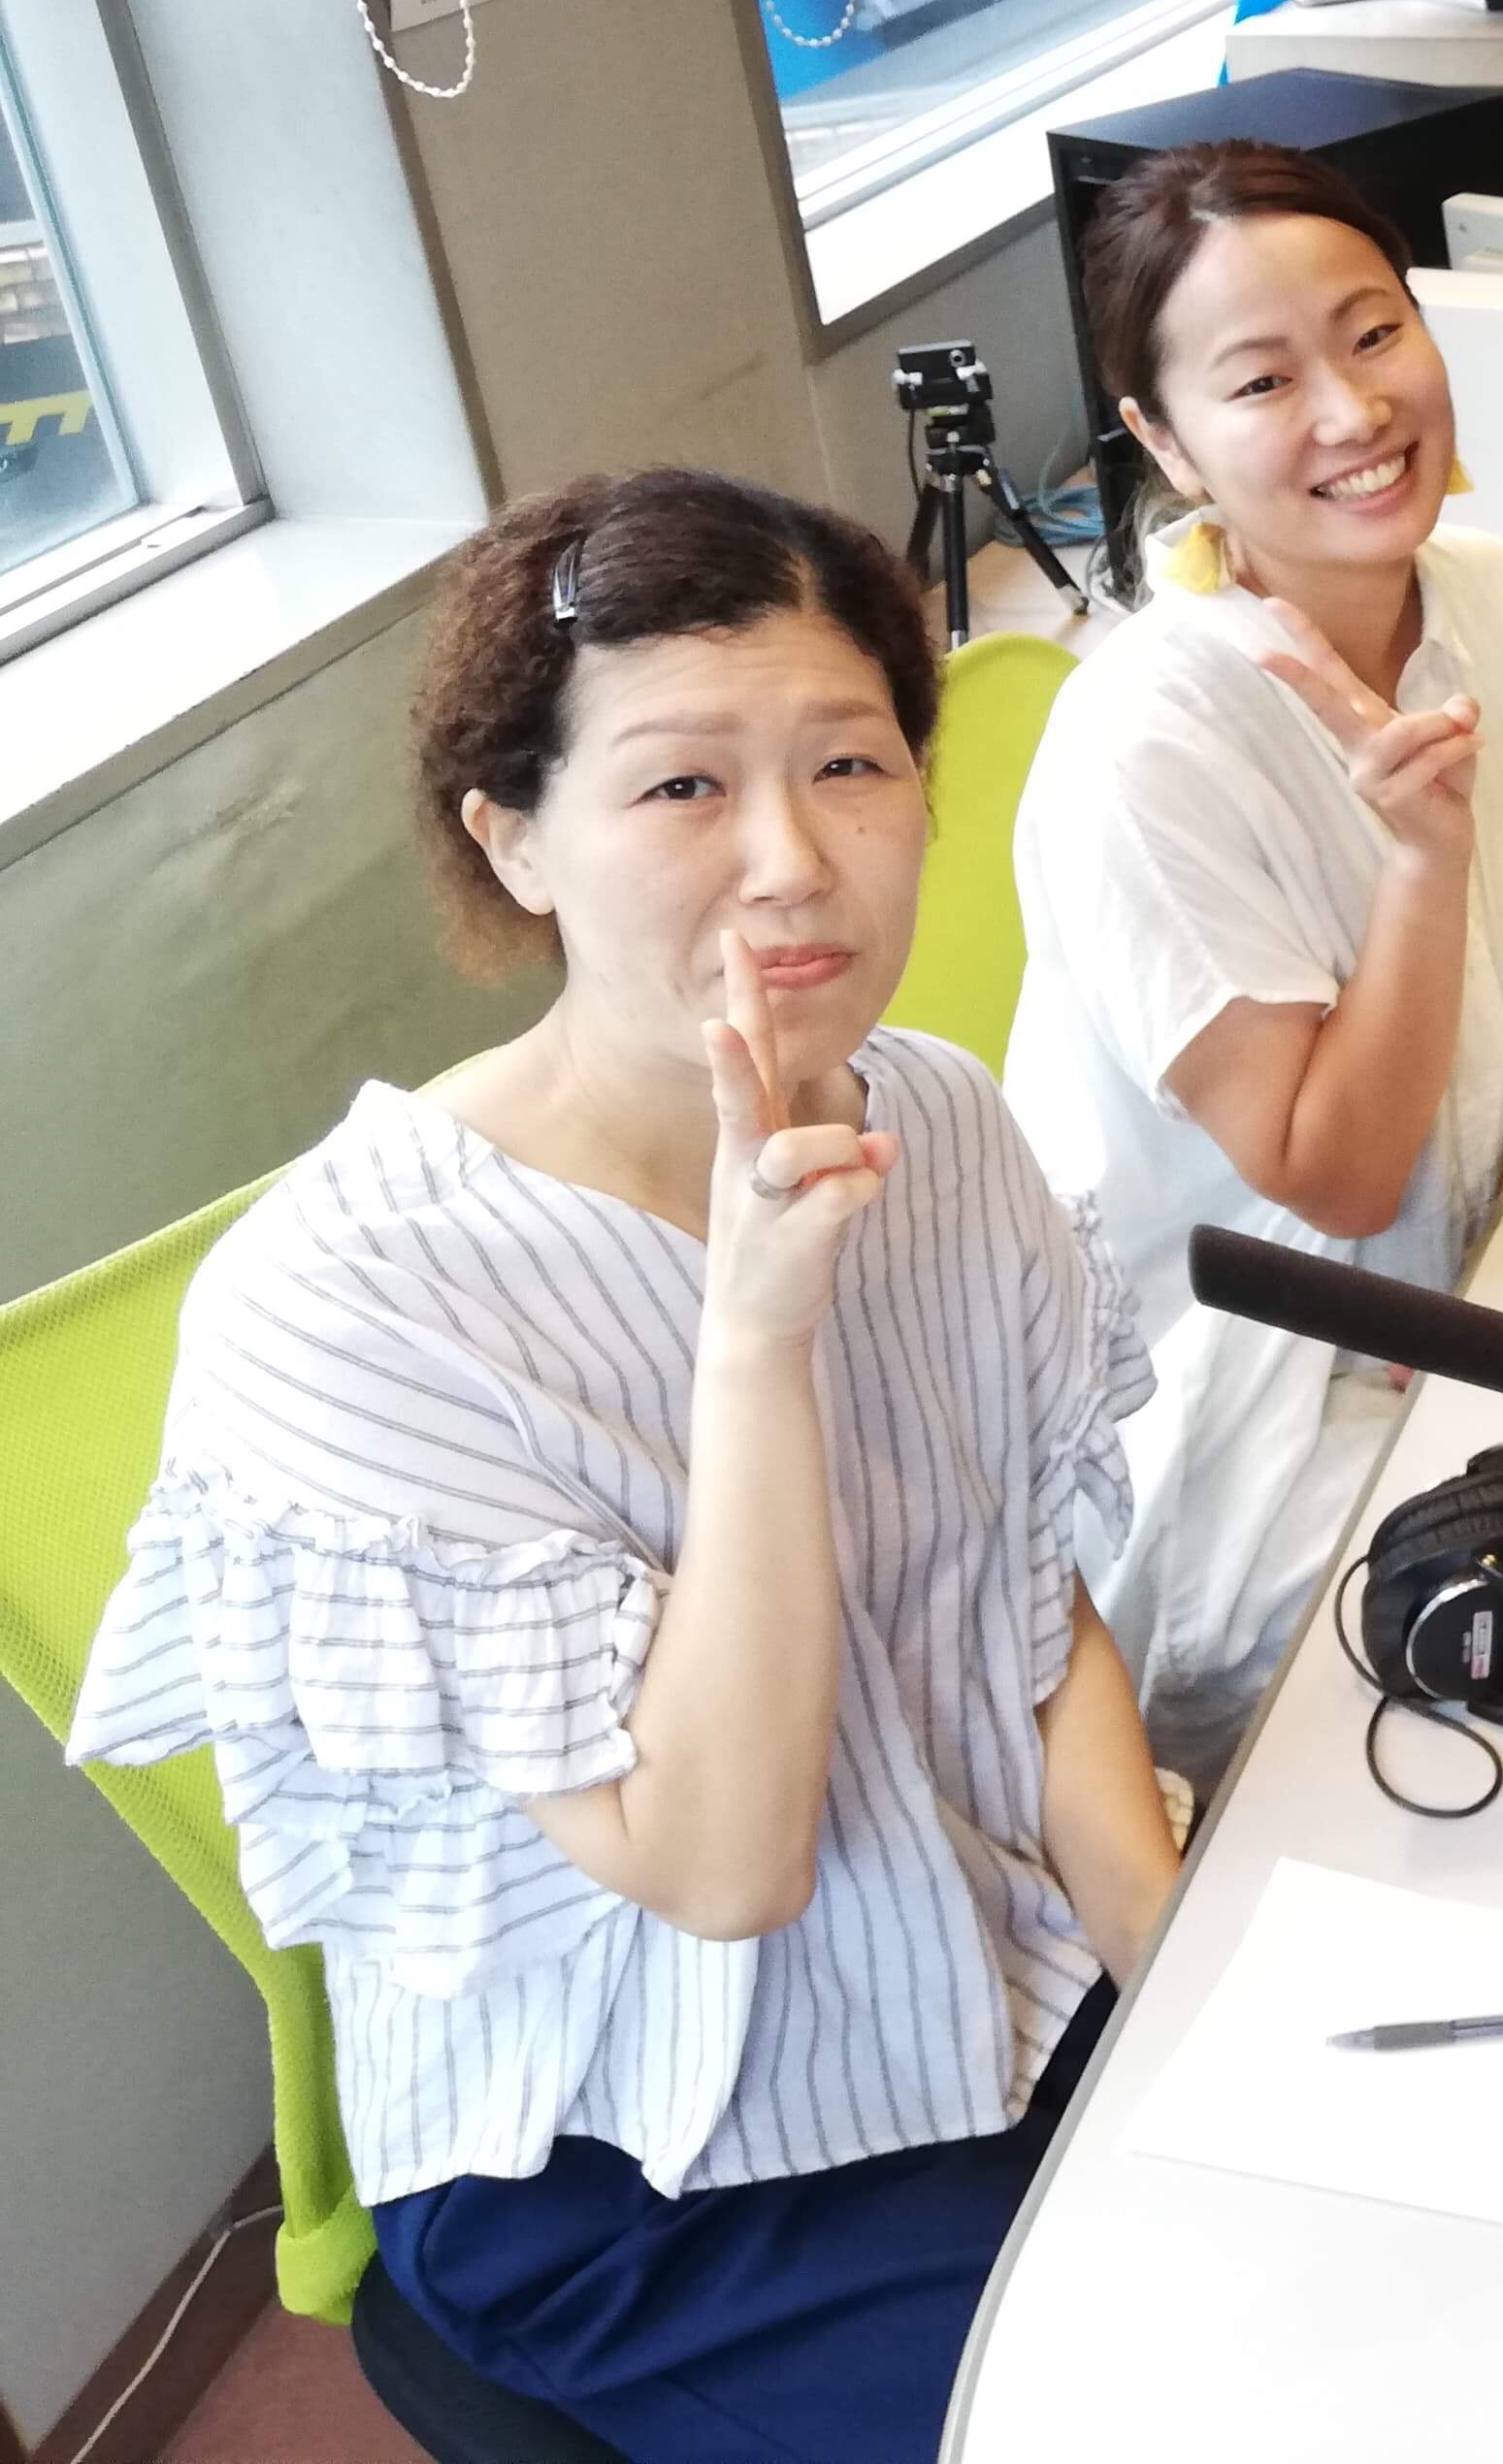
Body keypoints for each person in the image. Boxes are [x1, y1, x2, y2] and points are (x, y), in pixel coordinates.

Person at [67, 471, 1176, 2463]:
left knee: (1401, 2264)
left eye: (849, 763)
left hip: (989, 1967)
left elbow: (1033, 1614)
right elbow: (722, 1865)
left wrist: (1179, 1981)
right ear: (515, 838)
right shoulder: (346, 1301)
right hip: (645, 2155)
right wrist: (754, 1336)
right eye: (681, 786)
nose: (792, 861)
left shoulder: (938, 1117)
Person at [1005, 141, 1503, 1782]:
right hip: (1250, 1445)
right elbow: (1339, 1174)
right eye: (1262, 380)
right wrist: (1421, 860)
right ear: (1166, 444)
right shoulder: (1146, 740)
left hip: (1458, 1336)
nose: (1352, 408)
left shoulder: (1496, 600)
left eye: (1374, 332)